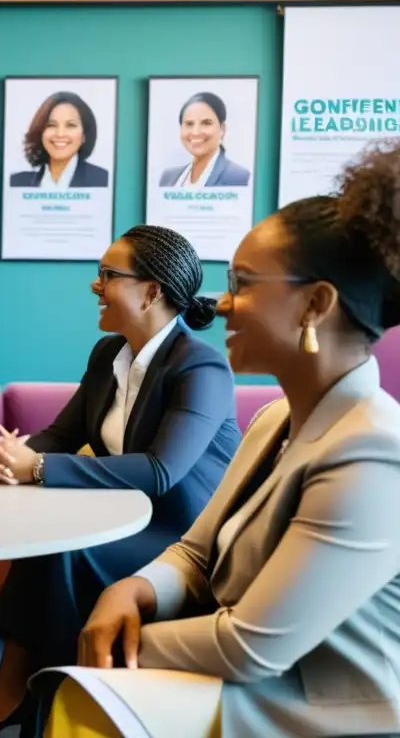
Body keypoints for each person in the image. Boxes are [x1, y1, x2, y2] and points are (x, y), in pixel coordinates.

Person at [42, 141, 400, 738]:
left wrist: (123, 642)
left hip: (310, 708)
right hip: (249, 675)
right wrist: (131, 590)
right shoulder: (272, 420)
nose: (221, 301)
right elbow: (195, 552)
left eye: (245, 282)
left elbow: (251, 650)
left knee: (83, 700)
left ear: (316, 304)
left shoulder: (373, 453)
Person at [0, 225, 240, 736]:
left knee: (63, 552)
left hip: (183, 535)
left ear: (152, 291)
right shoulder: (108, 354)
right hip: (124, 519)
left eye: (108, 275)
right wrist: (14, 453)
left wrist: (38, 469)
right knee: (46, 543)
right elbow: (62, 433)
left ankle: (44, 697)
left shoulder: (201, 365)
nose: (95, 285)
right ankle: (26, 697)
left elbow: (160, 471)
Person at [9, 92, 109, 188]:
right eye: (51, 125)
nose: (60, 134)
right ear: (40, 132)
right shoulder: (16, 182)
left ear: (84, 135)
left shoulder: (103, 180)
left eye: (71, 125)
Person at [158, 92, 250, 188]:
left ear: (222, 129)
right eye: (189, 124)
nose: (196, 132)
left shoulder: (238, 177)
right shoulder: (167, 178)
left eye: (206, 123)